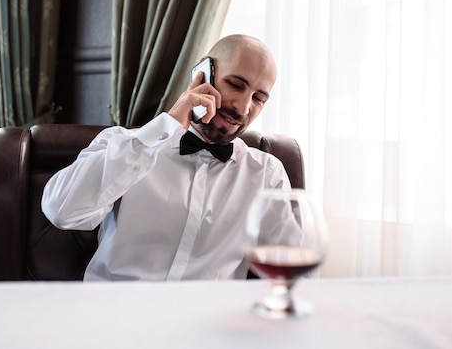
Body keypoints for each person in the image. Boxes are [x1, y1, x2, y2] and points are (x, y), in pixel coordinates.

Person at [41, 34, 302, 281]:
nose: (243, 108)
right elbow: (60, 211)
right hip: (117, 319)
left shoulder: (266, 174)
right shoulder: (121, 144)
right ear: (203, 74)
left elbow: (293, 269)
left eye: (258, 98)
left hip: (210, 325)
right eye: (235, 85)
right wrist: (165, 128)